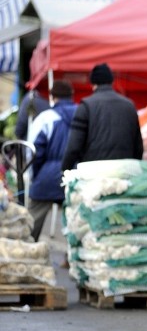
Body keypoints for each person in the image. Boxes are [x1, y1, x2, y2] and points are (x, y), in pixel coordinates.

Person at [61, 63, 143, 171]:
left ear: (92, 83)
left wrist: (65, 170)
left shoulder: (86, 106)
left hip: (94, 174)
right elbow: (138, 147)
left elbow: (73, 147)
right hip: (124, 173)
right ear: (112, 81)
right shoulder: (130, 106)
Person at [28, 81, 76, 240]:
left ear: (52, 97)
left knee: (31, 222)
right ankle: (71, 259)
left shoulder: (46, 118)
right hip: (76, 175)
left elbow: (34, 152)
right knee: (77, 221)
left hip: (47, 174)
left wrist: (36, 176)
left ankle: (26, 253)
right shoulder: (83, 114)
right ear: (71, 96)